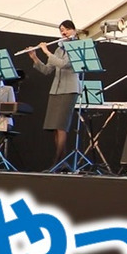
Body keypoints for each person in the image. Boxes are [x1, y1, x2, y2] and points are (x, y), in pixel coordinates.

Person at [29, 20, 80, 168]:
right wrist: (35, 57)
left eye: (67, 29)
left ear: (74, 30)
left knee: (61, 126)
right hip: (56, 90)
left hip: (69, 89)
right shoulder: (59, 49)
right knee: (55, 128)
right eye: (61, 30)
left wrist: (46, 51)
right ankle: (62, 163)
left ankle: (56, 162)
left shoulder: (76, 46)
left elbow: (64, 64)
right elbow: (47, 70)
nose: (64, 32)